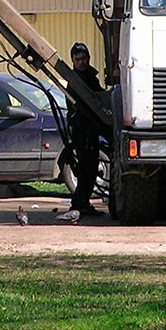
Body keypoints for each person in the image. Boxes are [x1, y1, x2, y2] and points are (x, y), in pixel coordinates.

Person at [66, 42, 108, 216]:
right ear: (73, 61)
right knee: (86, 167)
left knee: (90, 167)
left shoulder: (90, 78)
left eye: (84, 59)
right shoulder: (75, 82)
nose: (81, 62)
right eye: (78, 59)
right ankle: (79, 203)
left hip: (90, 130)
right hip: (82, 130)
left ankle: (82, 202)